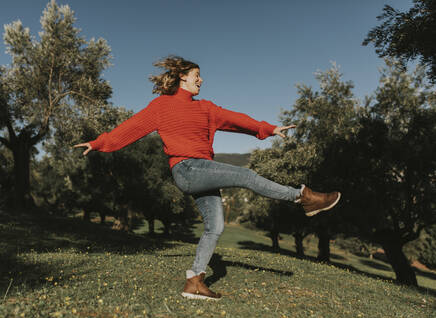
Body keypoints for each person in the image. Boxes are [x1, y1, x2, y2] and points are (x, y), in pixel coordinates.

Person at [74, 55, 341, 300]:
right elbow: (130, 128)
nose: (201, 80)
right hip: (187, 169)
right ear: (182, 77)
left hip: (202, 171)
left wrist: (267, 128)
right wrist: (98, 143)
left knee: (216, 226)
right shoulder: (161, 106)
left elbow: (236, 119)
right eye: (197, 75)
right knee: (245, 174)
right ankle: (302, 196)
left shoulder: (206, 108)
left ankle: (194, 281)